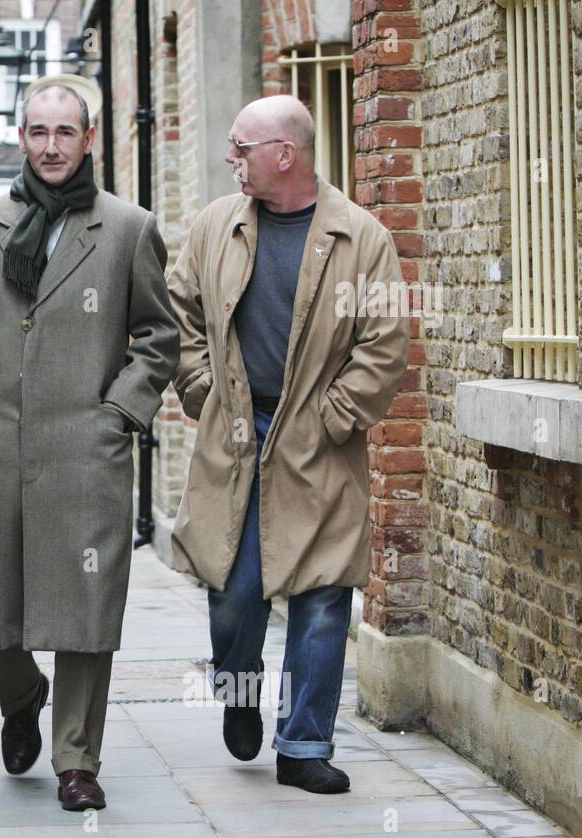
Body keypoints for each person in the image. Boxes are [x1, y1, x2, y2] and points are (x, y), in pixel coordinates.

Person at [0, 80, 180, 811]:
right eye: (37, 131)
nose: (50, 146)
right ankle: (21, 693)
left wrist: (119, 414)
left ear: (89, 138)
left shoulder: (128, 228)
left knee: (86, 606)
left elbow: (159, 337)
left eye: (64, 132)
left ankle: (77, 760)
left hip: (86, 452)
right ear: (20, 136)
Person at [168, 95, 409, 793]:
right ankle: (241, 691)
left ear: (285, 154)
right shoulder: (218, 225)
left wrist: (335, 416)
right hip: (238, 432)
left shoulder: (360, 238)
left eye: (242, 147)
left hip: (318, 440)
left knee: (323, 593)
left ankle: (304, 745)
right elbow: (179, 310)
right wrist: (203, 389)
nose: (229, 159)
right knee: (232, 589)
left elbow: (385, 342)